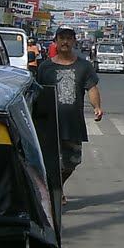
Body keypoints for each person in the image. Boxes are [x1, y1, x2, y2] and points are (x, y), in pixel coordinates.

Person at [36, 25, 103, 202]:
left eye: (69, 38)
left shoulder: (84, 66)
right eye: (62, 38)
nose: (65, 41)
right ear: (56, 41)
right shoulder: (45, 68)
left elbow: (92, 88)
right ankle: (53, 191)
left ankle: (58, 187)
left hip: (72, 123)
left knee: (71, 162)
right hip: (49, 123)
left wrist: (97, 107)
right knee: (47, 162)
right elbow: (37, 93)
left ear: (74, 41)